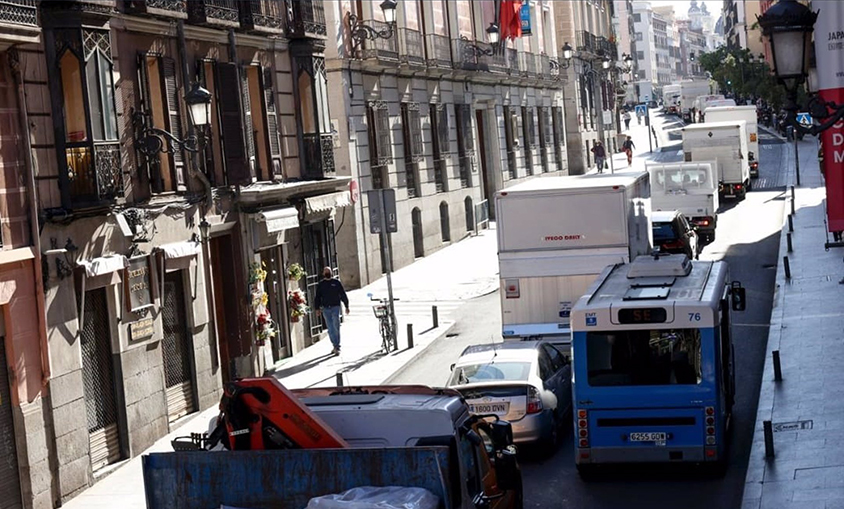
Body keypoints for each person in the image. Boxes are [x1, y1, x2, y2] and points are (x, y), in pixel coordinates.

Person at [314, 266, 350, 355]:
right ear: (323, 274)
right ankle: (334, 345)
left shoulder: (336, 283)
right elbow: (317, 297)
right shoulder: (321, 284)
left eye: (328, 271)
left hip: (335, 307)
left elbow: (342, 294)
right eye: (325, 271)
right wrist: (317, 308)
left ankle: (337, 346)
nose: (327, 273)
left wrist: (346, 306)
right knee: (330, 328)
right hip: (326, 308)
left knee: (336, 325)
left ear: (331, 273)